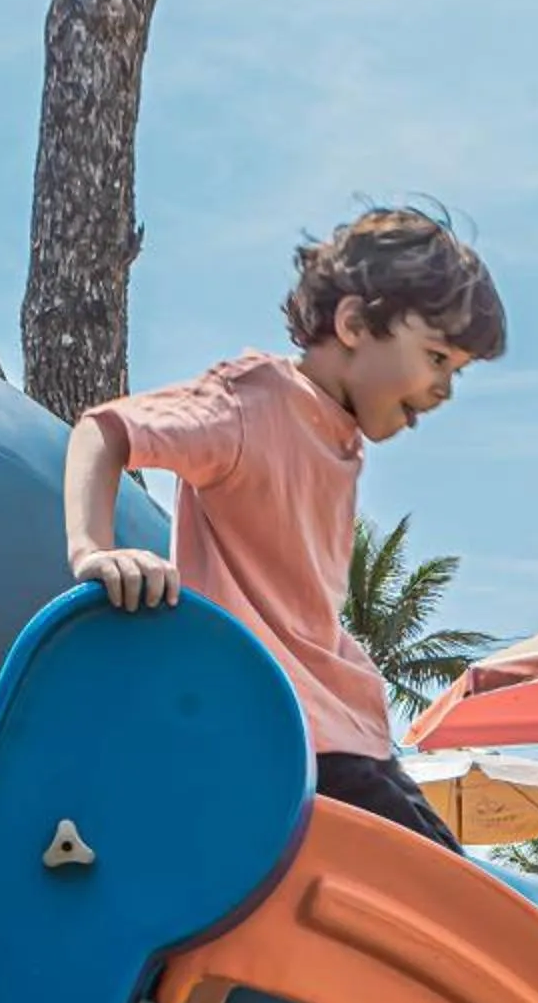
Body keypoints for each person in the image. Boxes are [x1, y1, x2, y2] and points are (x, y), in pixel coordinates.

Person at [63, 209, 506, 851]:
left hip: (344, 732)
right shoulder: (256, 400)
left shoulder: (342, 436)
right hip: (281, 730)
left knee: (454, 880)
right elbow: (102, 431)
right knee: (448, 898)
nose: (443, 390)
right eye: (436, 357)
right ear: (354, 324)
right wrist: (93, 550)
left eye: (455, 372)